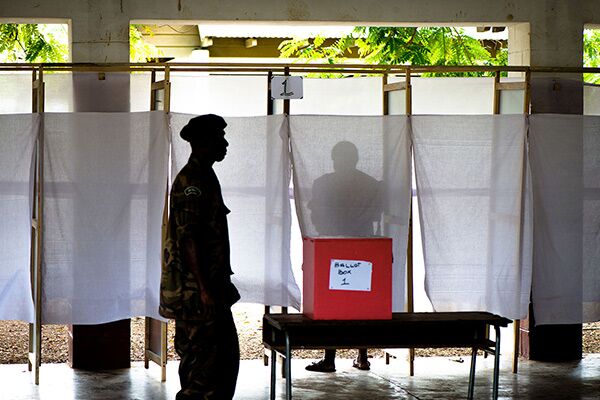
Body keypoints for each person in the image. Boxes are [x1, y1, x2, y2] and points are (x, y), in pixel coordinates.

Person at [159, 114, 241, 400]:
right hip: (196, 292)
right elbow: (188, 238)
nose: (225, 144)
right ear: (204, 142)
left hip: (208, 287)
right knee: (204, 369)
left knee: (220, 360)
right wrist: (205, 289)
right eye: (220, 139)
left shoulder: (205, 175)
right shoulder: (192, 181)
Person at [305, 141, 382, 373]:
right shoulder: (370, 184)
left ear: (334, 159)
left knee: (332, 302)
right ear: (356, 159)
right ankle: (363, 355)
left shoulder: (322, 183)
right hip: (363, 248)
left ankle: (330, 358)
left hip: (332, 248)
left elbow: (316, 213)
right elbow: (378, 212)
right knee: (362, 302)